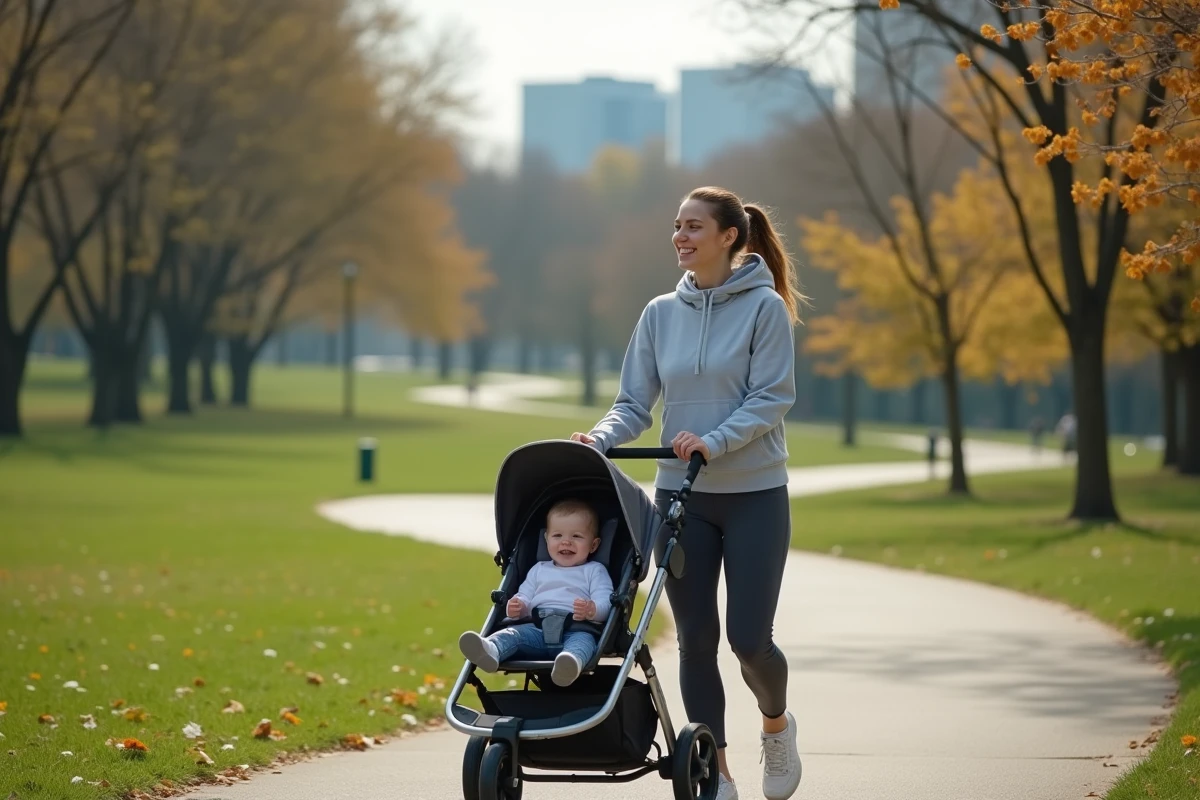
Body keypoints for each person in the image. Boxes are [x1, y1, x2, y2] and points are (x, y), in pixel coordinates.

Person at [571, 186, 805, 800]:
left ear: (729, 236)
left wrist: (715, 440)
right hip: (682, 498)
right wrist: (598, 439)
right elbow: (632, 404)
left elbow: (772, 397)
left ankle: (777, 727)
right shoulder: (658, 313)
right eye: (677, 226)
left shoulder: (765, 309)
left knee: (749, 639)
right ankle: (716, 771)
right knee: (697, 638)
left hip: (754, 492)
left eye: (694, 226)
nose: (681, 236)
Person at [458, 498, 613, 687]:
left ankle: (569, 664)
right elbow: (525, 596)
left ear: (594, 545)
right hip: (536, 629)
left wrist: (592, 610)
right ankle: (491, 650)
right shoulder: (539, 569)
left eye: (577, 536)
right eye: (557, 535)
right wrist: (518, 606)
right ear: (546, 539)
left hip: (576, 630)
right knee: (512, 634)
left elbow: (607, 603)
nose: (566, 542)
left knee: (584, 643)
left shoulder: (595, 570)